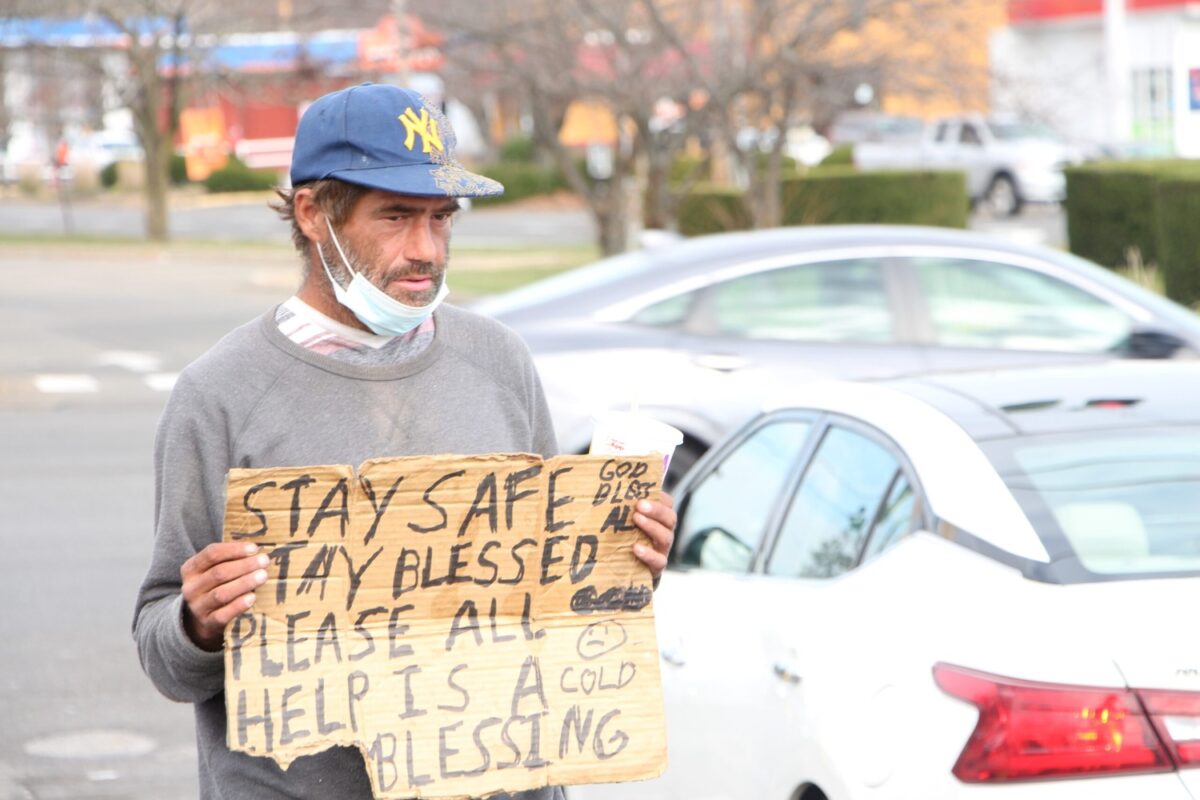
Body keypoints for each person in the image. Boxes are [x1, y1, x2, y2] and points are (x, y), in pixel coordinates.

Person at [132, 82, 677, 800]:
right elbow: (166, 656)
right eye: (396, 217)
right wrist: (198, 623)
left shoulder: (500, 361)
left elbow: (549, 605)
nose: (426, 249)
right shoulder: (220, 395)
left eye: (442, 219)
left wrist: (618, 563)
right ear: (313, 213)